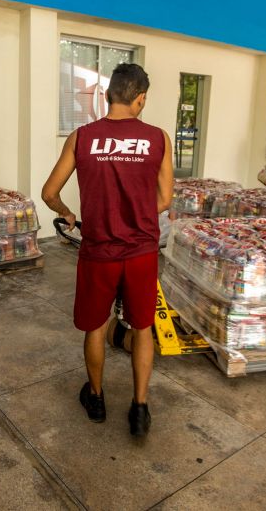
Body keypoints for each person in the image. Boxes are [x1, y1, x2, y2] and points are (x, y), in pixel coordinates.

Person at [42, 63, 173, 437]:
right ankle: (139, 409)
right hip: (141, 253)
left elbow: (49, 193)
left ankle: (96, 398)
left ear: (107, 94)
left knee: (96, 327)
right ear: (141, 98)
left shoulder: (82, 137)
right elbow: (164, 199)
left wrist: (68, 213)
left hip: (98, 253)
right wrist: (135, 213)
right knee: (143, 328)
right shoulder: (158, 139)